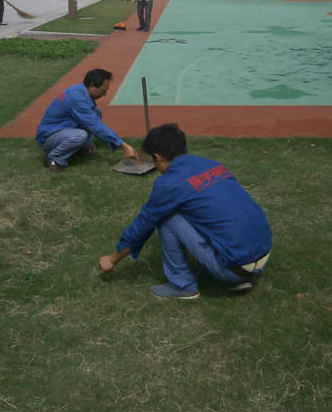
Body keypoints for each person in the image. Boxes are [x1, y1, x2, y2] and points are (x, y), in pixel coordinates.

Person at [99, 123, 272, 299]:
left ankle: (184, 286)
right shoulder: (211, 164)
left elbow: (143, 225)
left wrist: (112, 259)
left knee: (167, 218)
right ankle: (237, 274)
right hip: (263, 256)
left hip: (237, 268)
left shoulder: (169, 183)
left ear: (158, 158)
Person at [35, 68, 139, 173]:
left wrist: (88, 142)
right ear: (92, 85)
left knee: (96, 112)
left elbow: (89, 120)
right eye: (103, 90)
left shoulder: (79, 89)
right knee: (80, 135)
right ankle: (53, 158)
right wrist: (123, 145)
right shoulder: (77, 98)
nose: (104, 94)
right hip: (48, 137)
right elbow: (94, 125)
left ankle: (83, 148)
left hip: (61, 130)